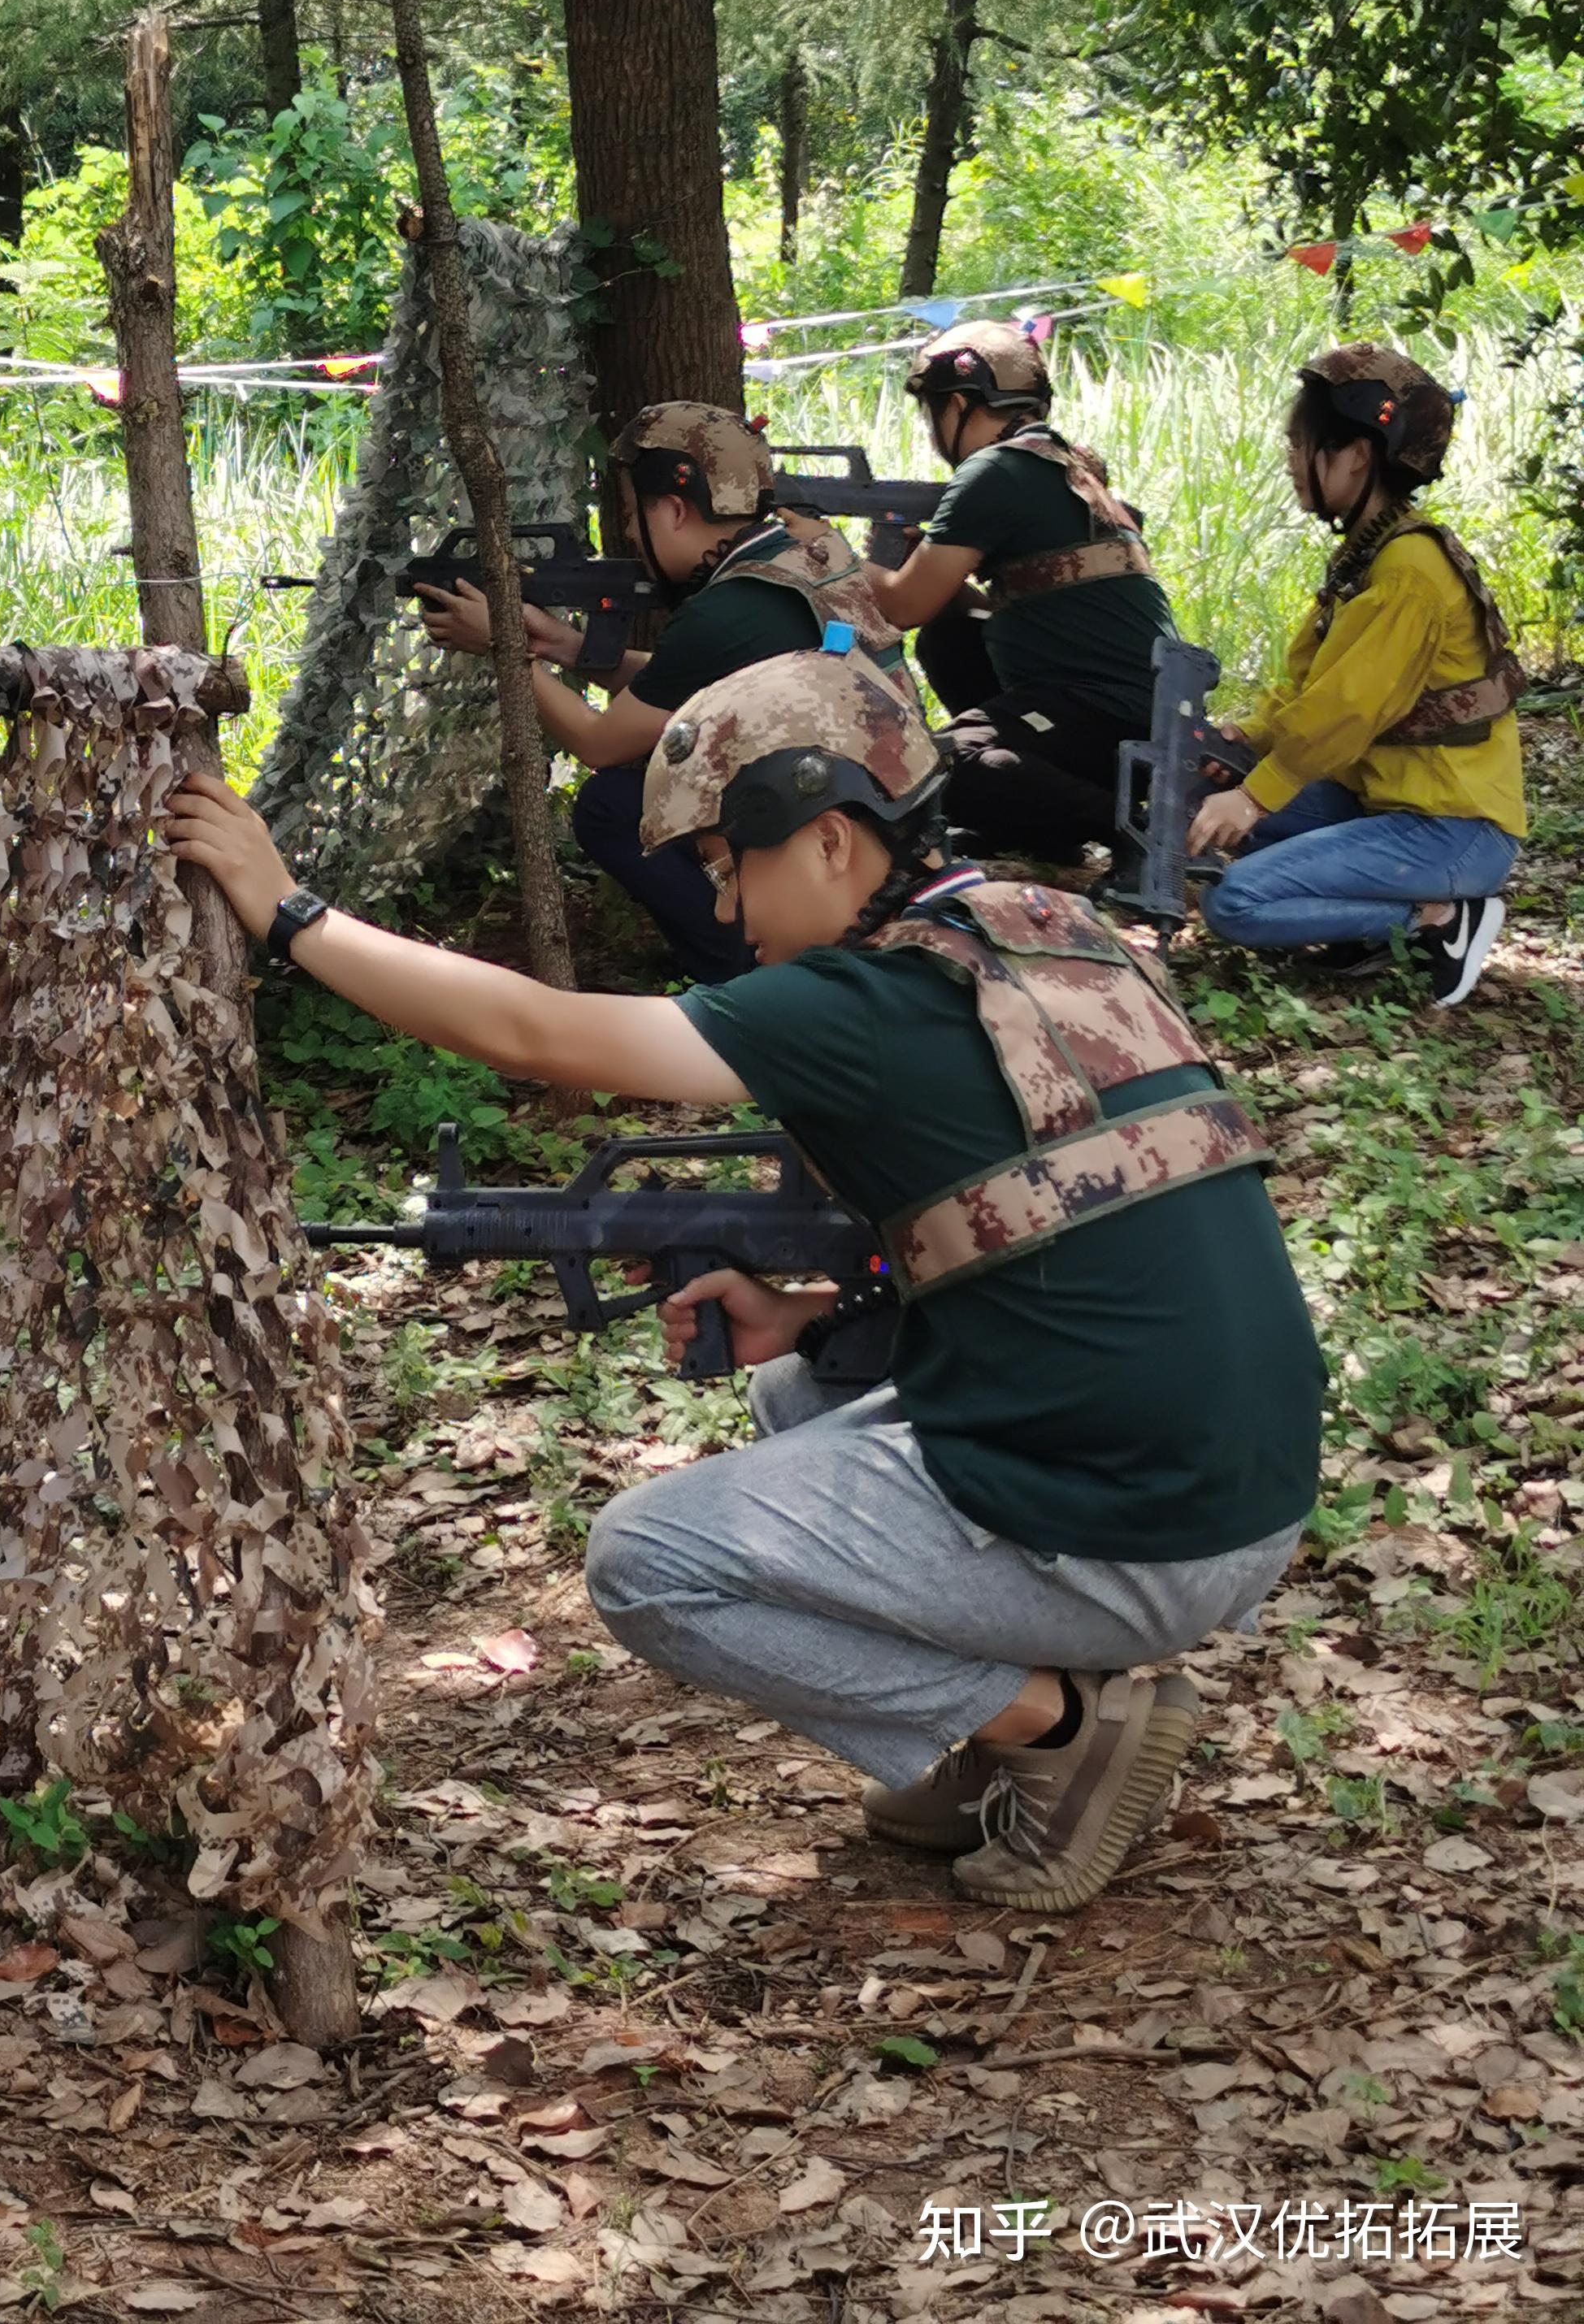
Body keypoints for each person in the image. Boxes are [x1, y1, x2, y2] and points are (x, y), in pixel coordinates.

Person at [164, 648, 1321, 1912]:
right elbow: (1057, 1216)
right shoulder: (1047, 931)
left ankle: (1051, 1729)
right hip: (1235, 1491)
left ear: (828, 841)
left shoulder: (859, 1000)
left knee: (649, 1563)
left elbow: (535, 1031)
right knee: (799, 1392)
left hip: (1142, 1533)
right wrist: (827, 1309)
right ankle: (1002, 1728)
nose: (725, 914)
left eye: (729, 867)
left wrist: (289, 911)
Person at [417, 400, 900, 982]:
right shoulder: (804, 556)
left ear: (673, 509)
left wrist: (502, 648)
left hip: (841, 836)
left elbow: (598, 742)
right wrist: (565, 647)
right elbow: (688, 683)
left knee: (613, 805)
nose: (626, 532)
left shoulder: (730, 610)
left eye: (629, 513)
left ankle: (737, 970)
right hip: (889, 815)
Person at [1190, 345, 1526, 1004]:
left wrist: (1256, 795)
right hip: (1389, 801)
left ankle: (1439, 919)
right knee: (1214, 798)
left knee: (1235, 902)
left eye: (1301, 444)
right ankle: (1383, 912)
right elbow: (1314, 684)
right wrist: (1246, 740)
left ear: (1359, 456)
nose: (1290, 462)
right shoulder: (1369, 555)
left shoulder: (1408, 574)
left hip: (1452, 827)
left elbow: (1345, 713)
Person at [863, 323, 1180, 863]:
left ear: (960, 404)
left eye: (932, 413)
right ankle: (1042, 826)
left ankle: (1132, 831)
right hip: (1134, 714)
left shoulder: (995, 470)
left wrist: (829, 551)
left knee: (936, 767)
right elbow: (1001, 605)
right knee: (950, 635)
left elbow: (900, 605)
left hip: (1108, 718)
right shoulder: (1062, 466)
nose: (931, 431)